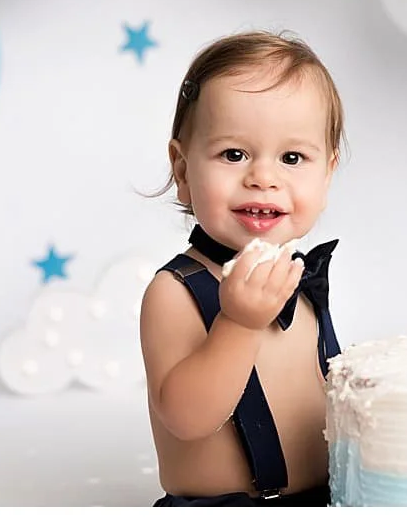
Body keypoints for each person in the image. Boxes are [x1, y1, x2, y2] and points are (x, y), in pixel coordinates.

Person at [140, 31, 346, 504]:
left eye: (292, 158)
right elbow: (187, 418)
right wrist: (237, 323)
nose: (263, 178)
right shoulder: (176, 291)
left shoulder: (300, 279)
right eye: (234, 154)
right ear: (184, 170)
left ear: (327, 173)